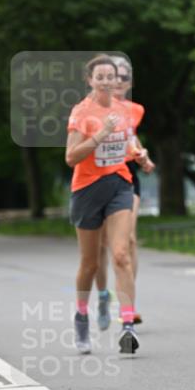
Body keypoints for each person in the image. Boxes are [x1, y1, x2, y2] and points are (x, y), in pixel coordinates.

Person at [66, 55, 150, 355]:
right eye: (99, 76)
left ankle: (127, 325)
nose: (105, 81)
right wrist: (98, 137)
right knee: (89, 263)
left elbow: (129, 141)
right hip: (87, 189)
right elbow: (71, 157)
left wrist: (140, 155)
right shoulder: (82, 113)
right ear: (90, 80)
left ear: (117, 81)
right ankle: (81, 315)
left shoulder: (124, 111)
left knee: (121, 253)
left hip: (119, 185)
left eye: (110, 76)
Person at [94, 56, 154, 330]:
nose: (120, 82)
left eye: (125, 78)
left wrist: (143, 156)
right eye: (115, 76)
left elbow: (130, 137)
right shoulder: (92, 108)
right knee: (100, 248)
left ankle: (127, 304)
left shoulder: (134, 110)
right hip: (96, 180)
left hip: (127, 178)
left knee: (127, 242)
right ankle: (105, 294)